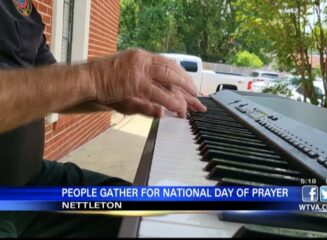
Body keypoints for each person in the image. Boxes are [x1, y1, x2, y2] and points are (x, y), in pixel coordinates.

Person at [0, 0, 206, 237]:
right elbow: (91, 79)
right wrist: (97, 78)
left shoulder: (22, 7)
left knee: (156, 216)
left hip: (31, 183)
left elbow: (48, 78)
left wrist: (112, 95)